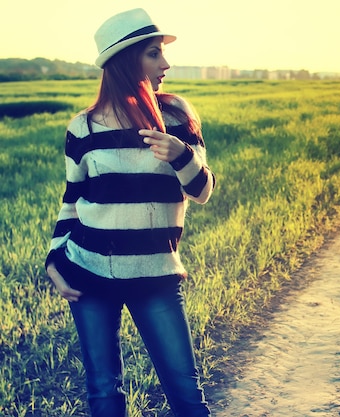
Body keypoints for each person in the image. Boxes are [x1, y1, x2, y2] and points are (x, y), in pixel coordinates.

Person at [45, 8, 215, 417]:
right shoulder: (82, 128)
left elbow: (203, 191)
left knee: (187, 396)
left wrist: (181, 156)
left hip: (156, 276)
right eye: (154, 53)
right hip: (88, 272)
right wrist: (53, 258)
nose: (166, 64)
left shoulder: (176, 118)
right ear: (125, 60)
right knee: (104, 393)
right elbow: (73, 200)